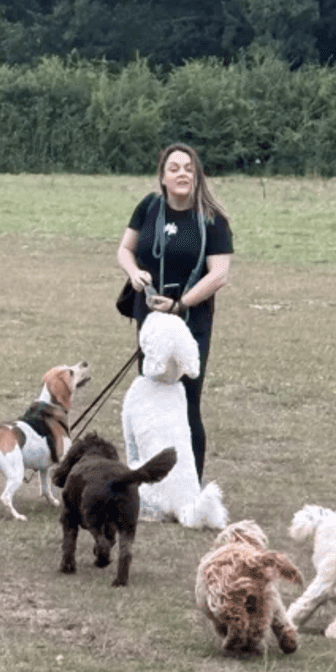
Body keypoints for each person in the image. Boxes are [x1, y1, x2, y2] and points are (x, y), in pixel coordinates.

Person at [116, 143, 233, 477]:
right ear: (163, 177)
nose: (183, 174)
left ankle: (190, 484)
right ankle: (149, 482)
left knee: (187, 400)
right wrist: (134, 272)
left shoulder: (212, 220)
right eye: (175, 168)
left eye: (189, 168)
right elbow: (125, 249)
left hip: (190, 321)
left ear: (197, 175)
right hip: (150, 319)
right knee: (151, 395)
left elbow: (219, 274)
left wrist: (181, 304)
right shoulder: (149, 207)